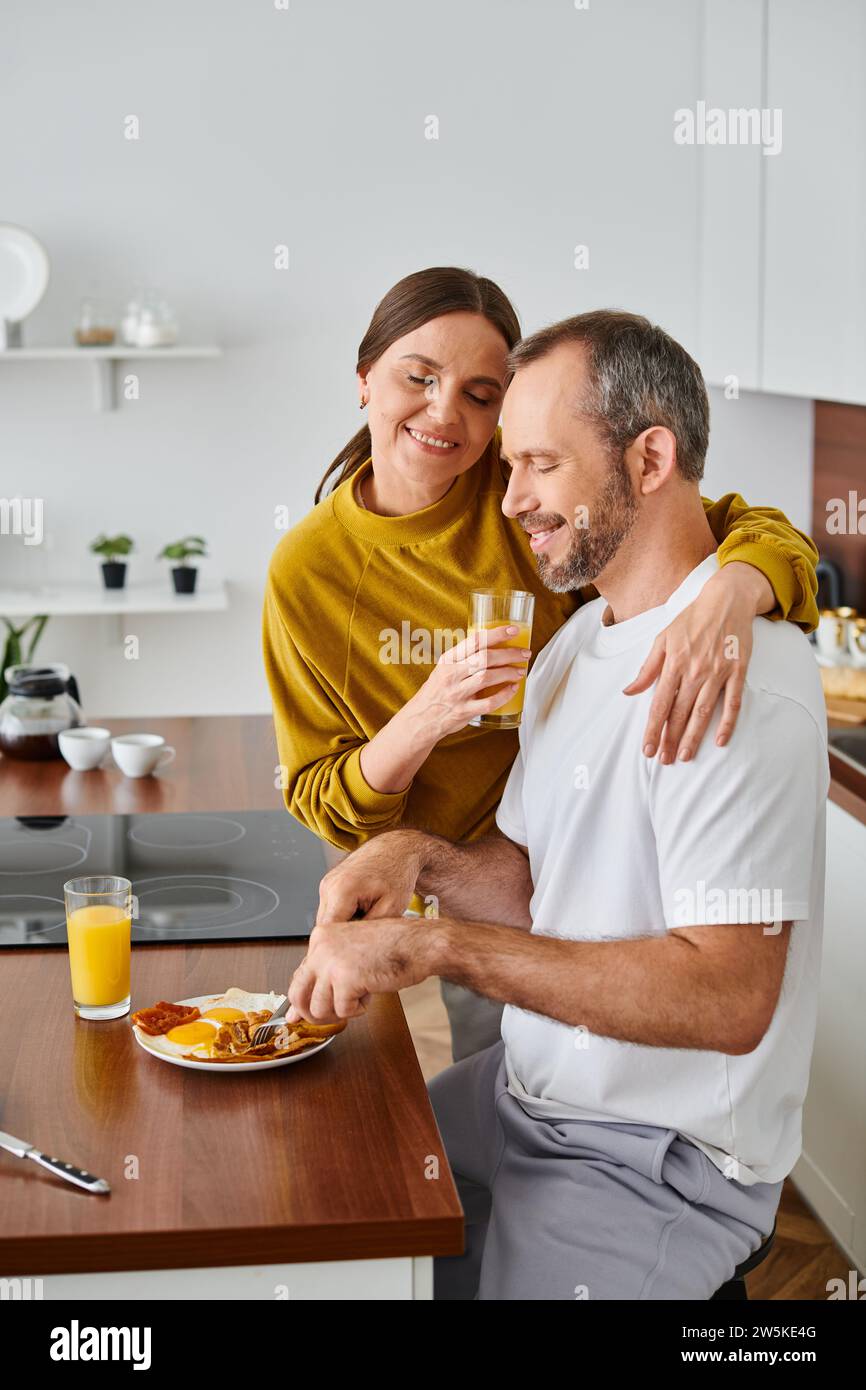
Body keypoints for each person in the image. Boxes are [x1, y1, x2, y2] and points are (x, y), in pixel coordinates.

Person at [285, 310, 829, 1301]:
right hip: (522, 1097)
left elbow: (727, 998)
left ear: (649, 456)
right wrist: (418, 856)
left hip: (654, 1154)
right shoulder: (573, 651)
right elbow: (534, 886)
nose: (511, 498)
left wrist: (439, 946)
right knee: (322, 1194)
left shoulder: (730, 677)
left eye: (538, 464)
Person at [263, 267, 819, 1062]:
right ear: (364, 379)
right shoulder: (311, 568)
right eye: (418, 377)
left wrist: (732, 591)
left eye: (482, 396)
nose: (444, 413)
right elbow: (319, 794)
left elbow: (710, 519)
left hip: (540, 877)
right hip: (476, 874)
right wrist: (429, 722)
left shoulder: (529, 492)